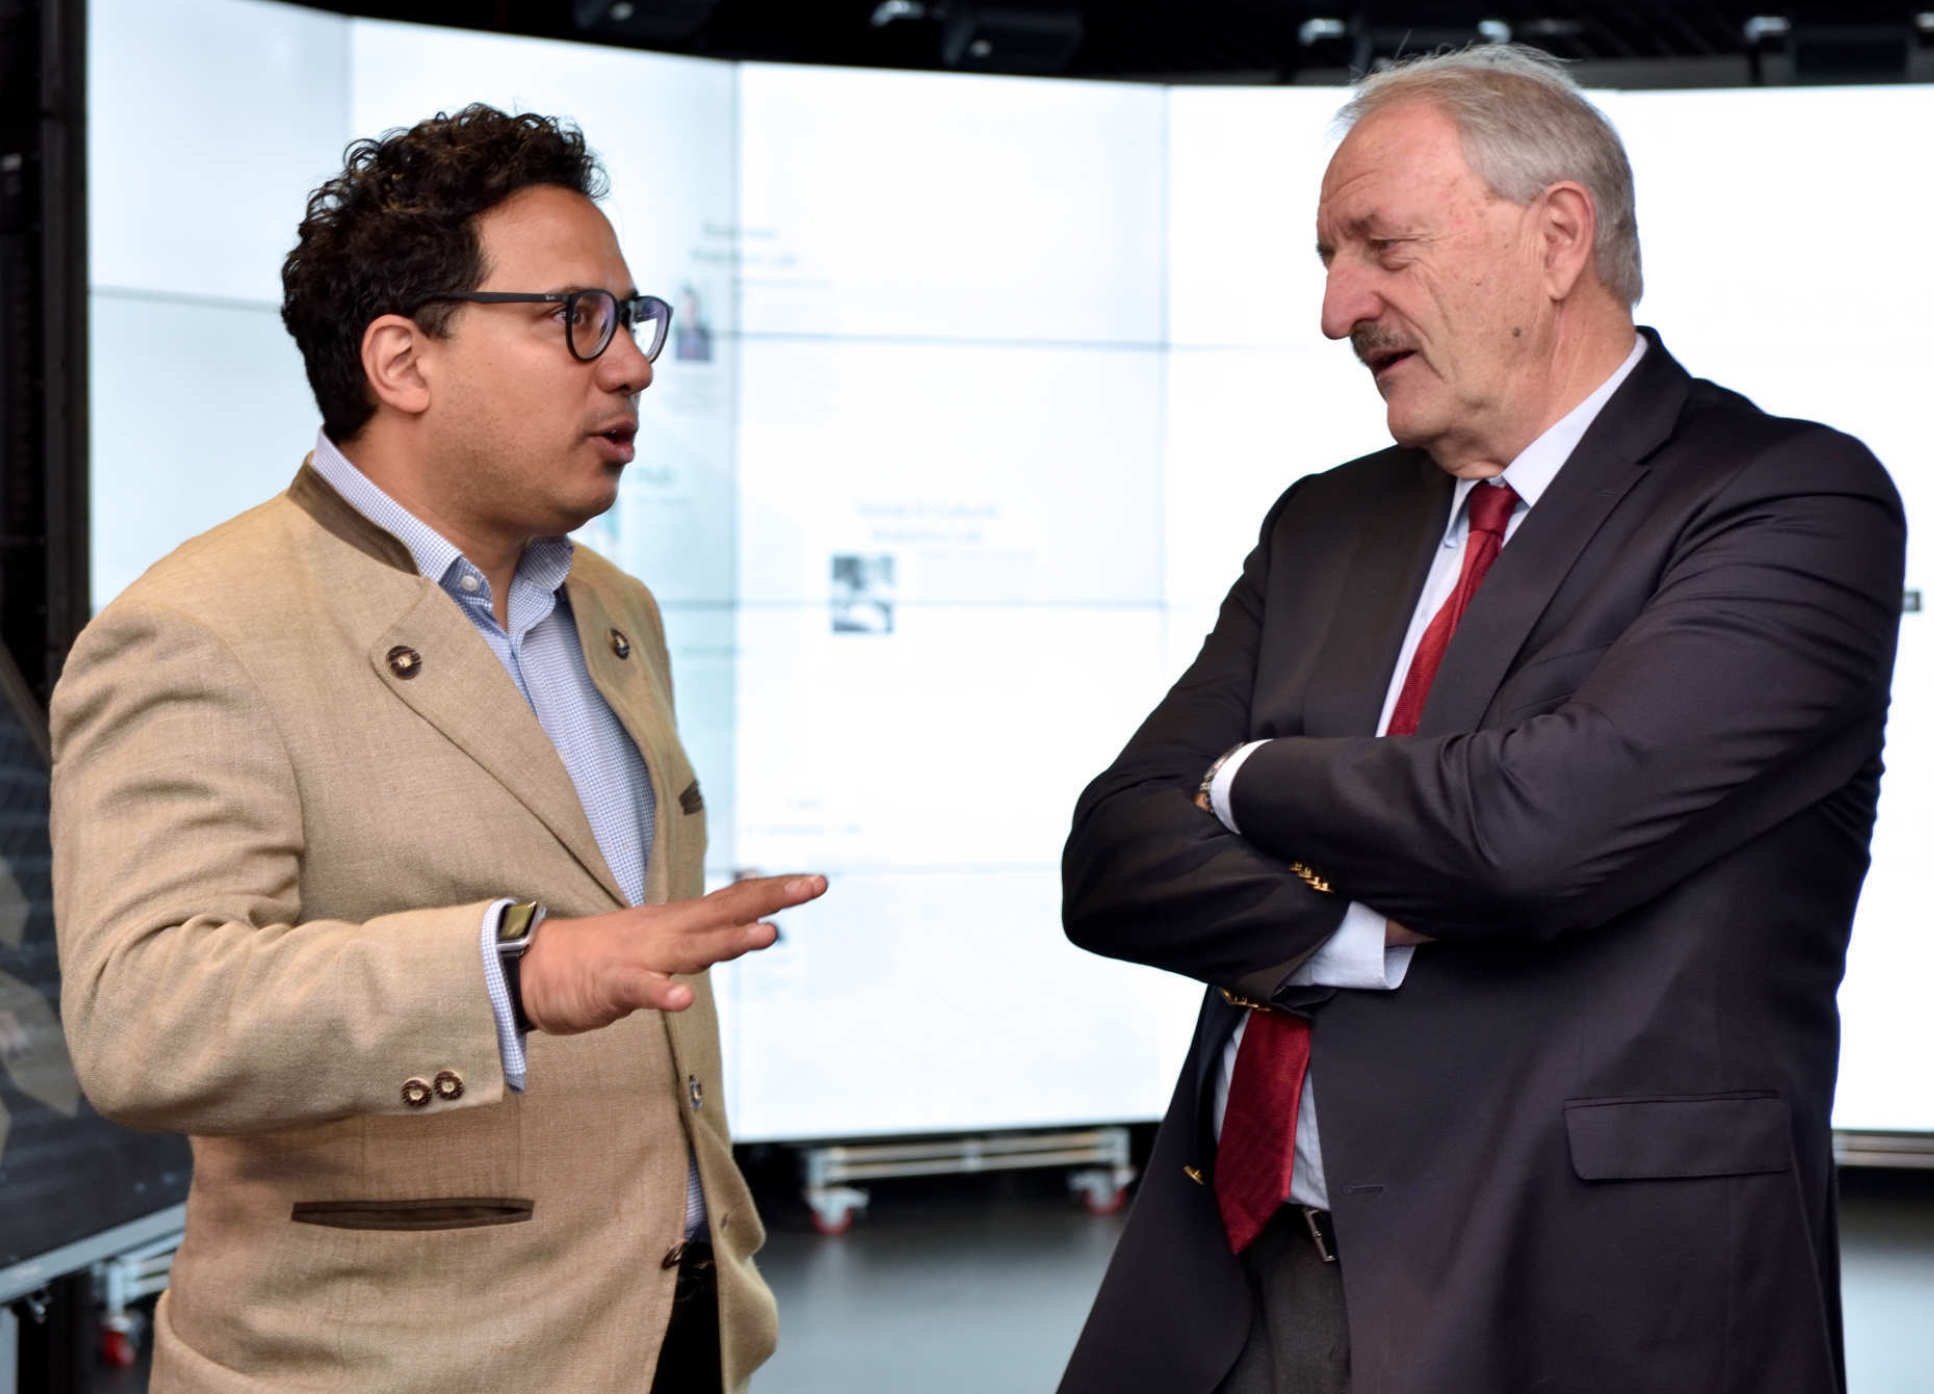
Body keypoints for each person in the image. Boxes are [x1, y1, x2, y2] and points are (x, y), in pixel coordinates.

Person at [1058, 46, 1902, 1394]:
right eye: (1328, 258)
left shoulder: (1786, 502)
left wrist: (1246, 778)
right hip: (1238, 1285)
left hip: (1584, 1307)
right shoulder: (1324, 520)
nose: (1337, 308)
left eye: (1380, 248)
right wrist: (1361, 923)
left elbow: (1525, 832)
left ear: (1557, 237)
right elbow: (1110, 856)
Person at [50, 106, 821, 1393]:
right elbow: (148, 1017)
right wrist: (511, 970)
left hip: (673, 1332)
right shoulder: (199, 628)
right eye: (575, 318)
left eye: (632, 318)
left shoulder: (611, 607)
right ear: (403, 361)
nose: (631, 366)